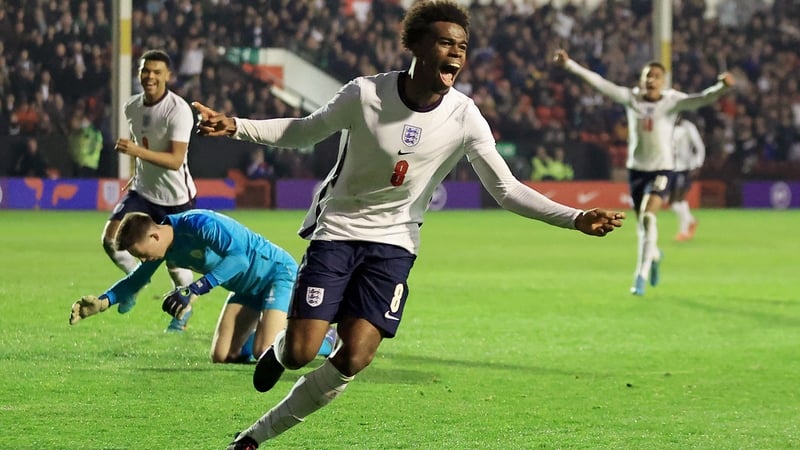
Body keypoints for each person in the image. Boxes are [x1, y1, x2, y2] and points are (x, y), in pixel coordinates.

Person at [194, 2, 625, 448]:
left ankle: (253, 438)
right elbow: (304, 131)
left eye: (462, 46)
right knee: (303, 351)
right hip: (339, 229)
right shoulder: (364, 94)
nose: (456, 54)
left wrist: (575, 217)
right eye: (445, 43)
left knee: (355, 356)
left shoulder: (464, 115)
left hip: (395, 243)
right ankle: (280, 350)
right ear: (416, 46)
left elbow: (506, 189)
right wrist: (236, 126)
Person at [553, 49, 734, 296]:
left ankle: (640, 275)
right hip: (637, 170)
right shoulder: (632, 99)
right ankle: (656, 255)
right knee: (643, 225)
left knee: (649, 218)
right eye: (648, 76)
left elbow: (701, 98)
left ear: (664, 81)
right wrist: (570, 65)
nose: (651, 80)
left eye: (657, 76)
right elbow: (600, 84)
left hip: (662, 168)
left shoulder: (672, 101)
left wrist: (721, 88)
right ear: (642, 79)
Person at [69, 210, 337, 363]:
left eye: (141, 252)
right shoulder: (164, 250)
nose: (143, 259)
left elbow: (240, 259)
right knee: (222, 356)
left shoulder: (199, 224)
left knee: (265, 352)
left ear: (154, 234)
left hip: (276, 273)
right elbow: (136, 279)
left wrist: (194, 289)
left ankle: (327, 339)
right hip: (244, 288)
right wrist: (103, 302)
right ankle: (272, 328)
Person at [102, 49, 198, 332]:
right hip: (143, 190)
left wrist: (136, 151)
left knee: (174, 263)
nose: (150, 77)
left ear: (168, 76)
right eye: (146, 71)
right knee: (111, 240)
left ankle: (184, 309)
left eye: (157, 72)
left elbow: (175, 160)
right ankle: (135, 281)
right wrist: (136, 174)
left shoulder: (178, 111)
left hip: (176, 197)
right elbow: (145, 146)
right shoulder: (131, 107)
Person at [670, 114, 705, 241]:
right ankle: (691, 221)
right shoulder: (666, 125)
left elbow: (699, 146)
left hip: (684, 168)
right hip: (669, 167)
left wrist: (698, 163)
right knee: (673, 202)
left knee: (678, 199)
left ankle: (684, 231)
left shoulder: (688, 127)